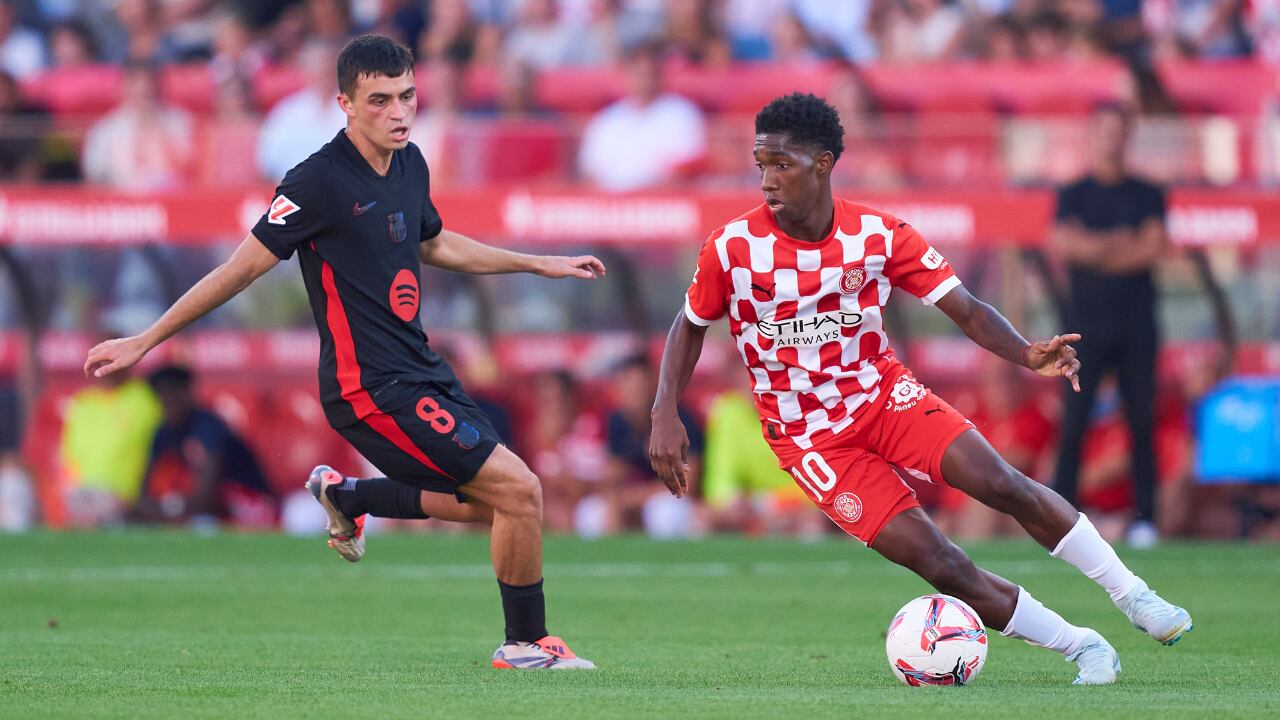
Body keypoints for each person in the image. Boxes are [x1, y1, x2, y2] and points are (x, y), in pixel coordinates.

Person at [85, 34, 602, 670]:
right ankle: (525, 645)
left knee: (496, 503)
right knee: (520, 490)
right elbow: (239, 270)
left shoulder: (410, 163)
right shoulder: (316, 181)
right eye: (380, 100)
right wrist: (146, 338)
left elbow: (433, 243)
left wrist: (537, 264)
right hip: (369, 388)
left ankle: (350, 498)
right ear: (345, 104)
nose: (399, 112)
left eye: (407, 96)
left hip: (423, 371)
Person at [649, 93, 1191, 686]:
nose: (767, 182)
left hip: (884, 397)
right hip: (810, 442)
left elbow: (966, 307)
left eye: (782, 165)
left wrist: (1025, 352)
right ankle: (1081, 646)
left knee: (1002, 484)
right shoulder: (732, 248)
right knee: (941, 562)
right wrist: (664, 411)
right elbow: (690, 324)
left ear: (824, 164)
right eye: (761, 166)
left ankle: (1135, 596)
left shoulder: (879, 235)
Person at [1050, 102, 1167, 549]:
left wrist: (1095, 250)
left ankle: (1145, 520)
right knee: (1074, 421)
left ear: (1128, 136)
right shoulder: (1073, 192)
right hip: (1083, 331)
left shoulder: (1147, 192)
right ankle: (1059, 517)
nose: (1112, 139)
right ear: (1093, 136)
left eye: (1119, 131)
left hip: (1137, 326)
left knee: (1141, 421)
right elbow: (1063, 245)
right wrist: (1119, 244)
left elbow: (1153, 248)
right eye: (1104, 131)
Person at [135, 365, 276, 529]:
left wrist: (169, 510)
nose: (167, 400)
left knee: (201, 525)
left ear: (187, 392)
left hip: (246, 500)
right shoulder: (162, 432)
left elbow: (206, 494)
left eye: (172, 393)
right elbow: (145, 492)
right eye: (161, 395)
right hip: (197, 508)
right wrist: (156, 508)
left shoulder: (208, 426)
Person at [576, 42, 706, 192]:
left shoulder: (681, 113)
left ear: (660, 75)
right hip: (611, 203)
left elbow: (687, 167)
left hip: (663, 200)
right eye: (638, 74)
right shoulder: (607, 119)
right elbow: (590, 170)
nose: (644, 81)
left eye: (649, 73)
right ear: (626, 76)